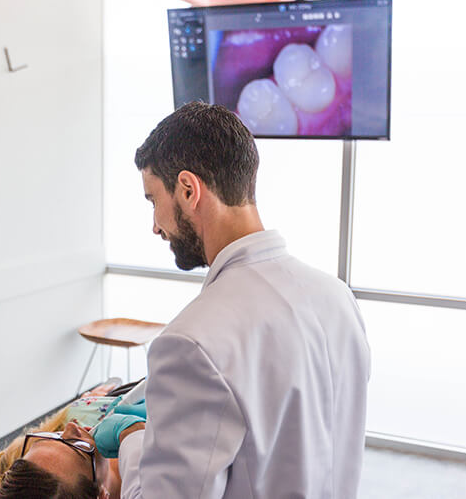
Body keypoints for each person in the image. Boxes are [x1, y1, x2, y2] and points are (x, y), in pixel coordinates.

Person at [93, 101, 370, 498]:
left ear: (188, 190)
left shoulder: (191, 342)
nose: (155, 226)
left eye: (153, 201)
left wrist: (135, 435)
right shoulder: (337, 297)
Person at [0, 380, 137, 499]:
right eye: (78, 447)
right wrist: (136, 432)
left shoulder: (84, 412)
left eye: (50, 436)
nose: (71, 427)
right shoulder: (153, 484)